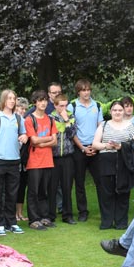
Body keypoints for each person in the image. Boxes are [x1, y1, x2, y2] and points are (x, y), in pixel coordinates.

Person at [0, 89, 28, 235]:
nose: (12, 101)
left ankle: (11, 222)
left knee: (12, 194)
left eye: (14, 98)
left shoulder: (18, 119)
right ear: (4, 100)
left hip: (14, 161)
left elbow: (23, 134)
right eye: (9, 98)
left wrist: (24, 137)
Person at [92, 101, 134, 230]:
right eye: (115, 110)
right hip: (106, 160)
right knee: (106, 192)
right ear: (110, 112)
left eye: (120, 110)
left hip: (123, 161)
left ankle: (121, 222)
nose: (117, 112)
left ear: (124, 111)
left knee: (123, 191)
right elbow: (95, 144)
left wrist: (121, 146)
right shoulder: (103, 125)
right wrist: (106, 146)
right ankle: (106, 222)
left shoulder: (130, 125)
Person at [70, 79, 104, 222]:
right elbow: (71, 131)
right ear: (78, 92)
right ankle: (83, 211)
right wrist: (83, 148)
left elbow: (101, 126)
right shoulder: (72, 106)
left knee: (101, 181)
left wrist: (95, 146)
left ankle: (105, 210)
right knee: (79, 182)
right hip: (79, 148)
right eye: (83, 90)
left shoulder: (97, 105)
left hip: (96, 147)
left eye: (88, 89)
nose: (86, 92)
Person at [25, 90, 58, 230]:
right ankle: (33, 219)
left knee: (44, 190)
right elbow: (33, 140)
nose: (43, 103)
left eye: (45, 100)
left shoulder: (50, 119)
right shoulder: (29, 119)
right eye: (40, 100)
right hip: (34, 161)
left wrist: (42, 143)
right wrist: (48, 139)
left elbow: (55, 141)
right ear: (35, 103)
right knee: (33, 190)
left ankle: (44, 216)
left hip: (47, 160)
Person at [48, 93, 77, 224]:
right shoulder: (50, 118)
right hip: (53, 157)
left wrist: (66, 120)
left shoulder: (71, 116)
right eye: (61, 106)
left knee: (67, 186)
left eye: (66, 105)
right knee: (52, 187)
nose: (64, 108)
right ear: (55, 105)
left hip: (68, 157)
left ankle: (67, 215)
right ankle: (50, 215)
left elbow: (72, 134)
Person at [15, 97, 30, 222]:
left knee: (22, 187)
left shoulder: (26, 122)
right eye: (21, 108)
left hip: (24, 160)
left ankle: (20, 213)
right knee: (14, 187)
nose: (23, 111)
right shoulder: (10, 120)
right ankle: (13, 213)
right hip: (13, 158)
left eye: (25, 109)